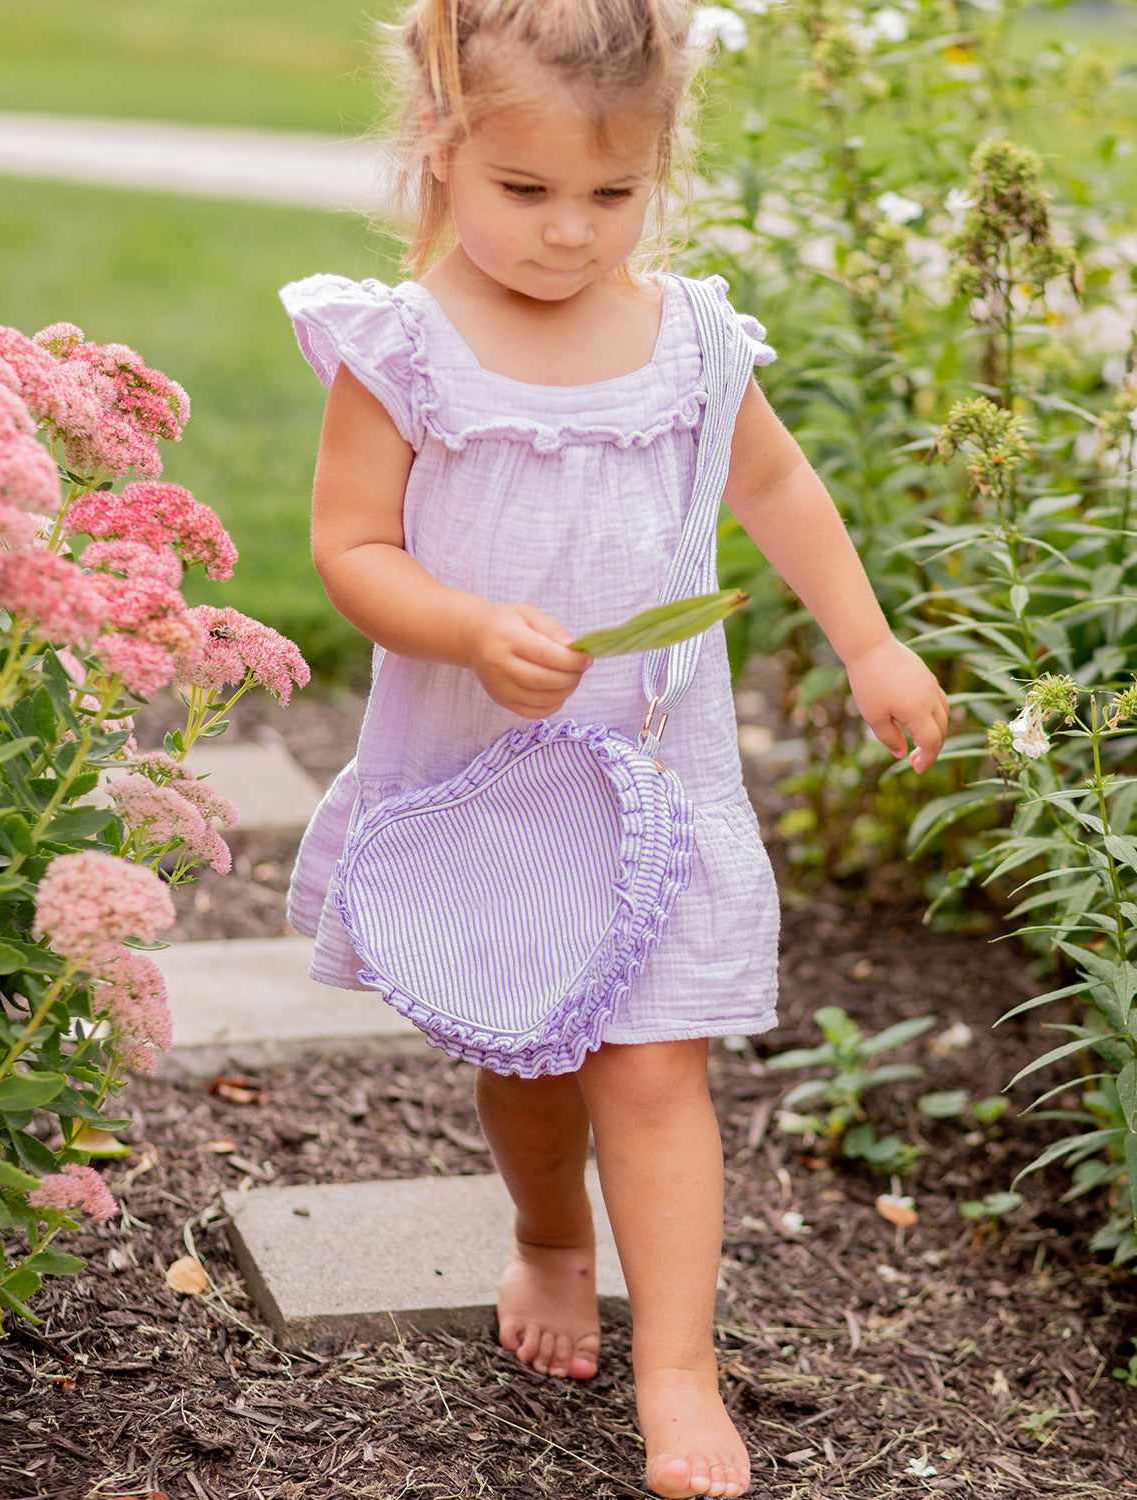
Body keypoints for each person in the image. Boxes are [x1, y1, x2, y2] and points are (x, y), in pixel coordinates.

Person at [281, 2, 949, 1494]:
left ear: (659, 172)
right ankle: (547, 1237)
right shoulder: (405, 349)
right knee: (525, 1059)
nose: (571, 234)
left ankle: (680, 1371)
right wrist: (457, 625)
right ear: (443, 153)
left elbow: (774, 489)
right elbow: (350, 548)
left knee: (652, 1070)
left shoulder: (692, 340)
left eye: (613, 194)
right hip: (490, 784)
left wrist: (869, 641)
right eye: (526, 192)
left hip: (652, 780)